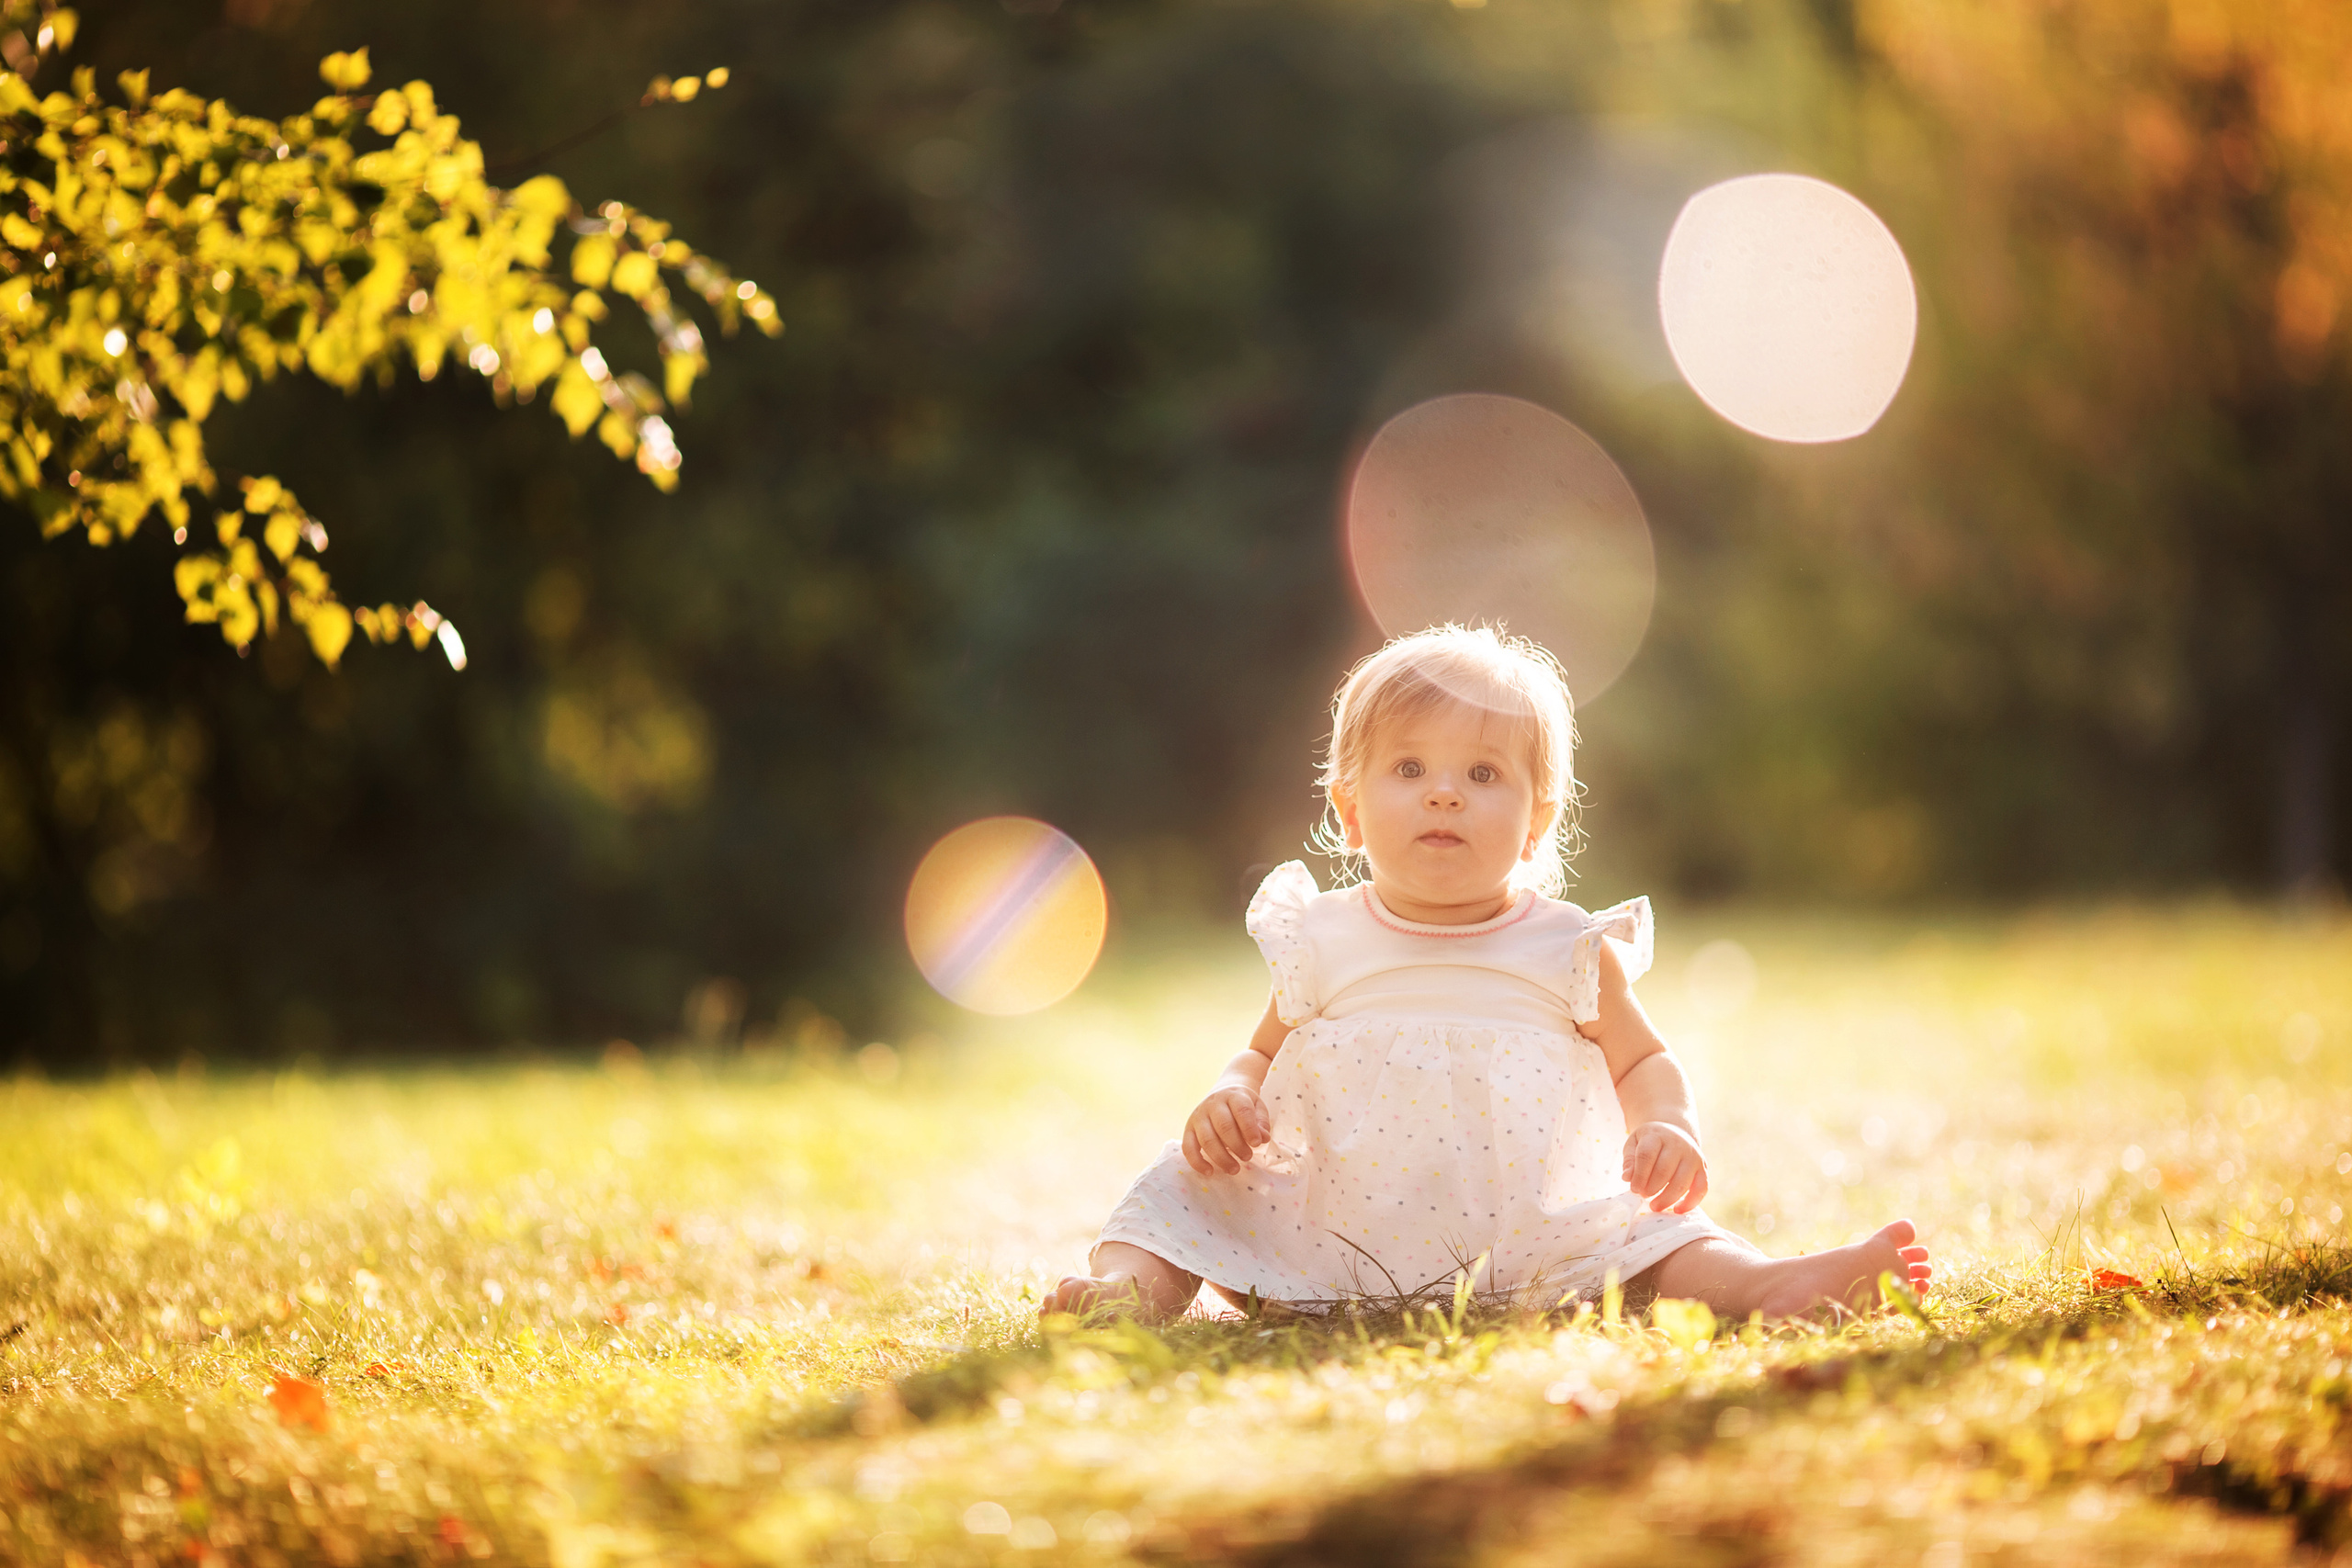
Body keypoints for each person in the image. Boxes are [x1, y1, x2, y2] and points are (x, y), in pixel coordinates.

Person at [1043, 624, 1931, 1323]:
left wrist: (1668, 1124)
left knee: (1656, 1235)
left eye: (1482, 771)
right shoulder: (1322, 936)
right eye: (1409, 768)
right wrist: (1229, 1093)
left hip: (1526, 1235)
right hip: (1326, 1228)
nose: (1445, 792)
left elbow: (1643, 1059)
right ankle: (1131, 1290)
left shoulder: (1566, 945)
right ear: (1350, 811)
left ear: (1537, 821)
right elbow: (1259, 1052)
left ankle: (1767, 1283)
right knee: (1183, 1183)